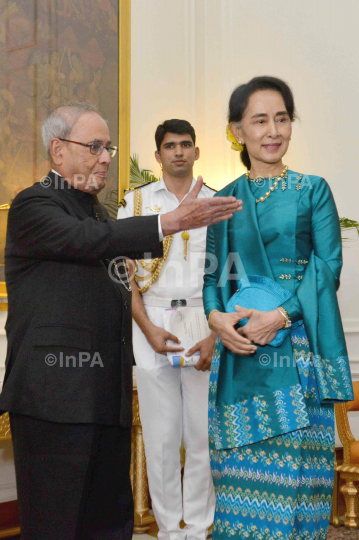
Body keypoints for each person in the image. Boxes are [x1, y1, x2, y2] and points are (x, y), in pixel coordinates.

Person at [0, 103, 242, 540]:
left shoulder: (97, 213)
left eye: (107, 147)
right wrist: (170, 222)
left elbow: (115, 263)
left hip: (105, 399)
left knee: (107, 525)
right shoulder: (34, 204)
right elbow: (88, 241)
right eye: (94, 146)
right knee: (57, 526)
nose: (106, 157)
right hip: (54, 398)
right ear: (58, 151)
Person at [204, 76, 354, 540]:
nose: (274, 130)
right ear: (237, 131)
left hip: (298, 350)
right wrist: (216, 318)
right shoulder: (223, 200)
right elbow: (212, 278)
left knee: (296, 483)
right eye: (260, 120)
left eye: (282, 118)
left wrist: (282, 316)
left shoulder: (312, 191)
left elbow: (327, 265)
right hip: (239, 355)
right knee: (239, 490)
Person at [117, 119, 216, 540]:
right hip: (151, 321)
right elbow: (122, 276)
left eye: (186, 144)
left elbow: (232, 279)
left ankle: (197, 528)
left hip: (202, 318)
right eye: (170, 146)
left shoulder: (217, 201)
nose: (179, 152)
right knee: (160, 438)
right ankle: (170, 531)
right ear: (157, 155)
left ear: (197, 151)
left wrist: (215, 333)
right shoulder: (135, 204)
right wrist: (147, 328)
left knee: (201, 435)